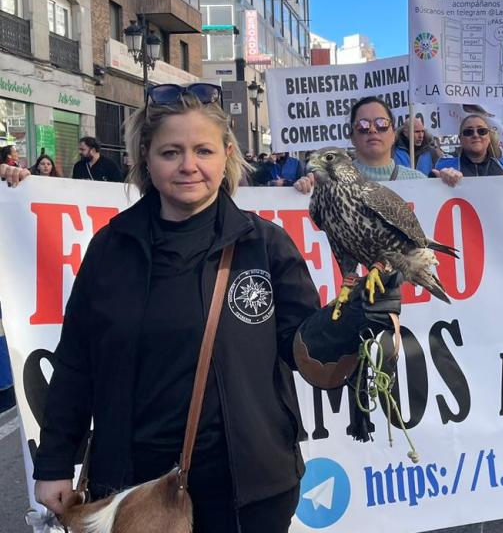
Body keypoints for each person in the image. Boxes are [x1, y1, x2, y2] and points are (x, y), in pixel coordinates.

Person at [2, 83, 324, 532]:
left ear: (226, 154)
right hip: (136, 490)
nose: (189, 166)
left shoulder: (264, 244)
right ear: (145, 159)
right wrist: (54, 460)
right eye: (171, 152)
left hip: (251, 489)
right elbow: (77, 362)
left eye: (203, 151)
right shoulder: (111, 248)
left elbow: (306, 349)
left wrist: (351, 321)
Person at [431, 114, 503, 186]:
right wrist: (438, 178)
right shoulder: (443, 165)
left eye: (482, 131)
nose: (475, 135)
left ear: (489, 138)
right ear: (460, 139)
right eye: (468, 132)